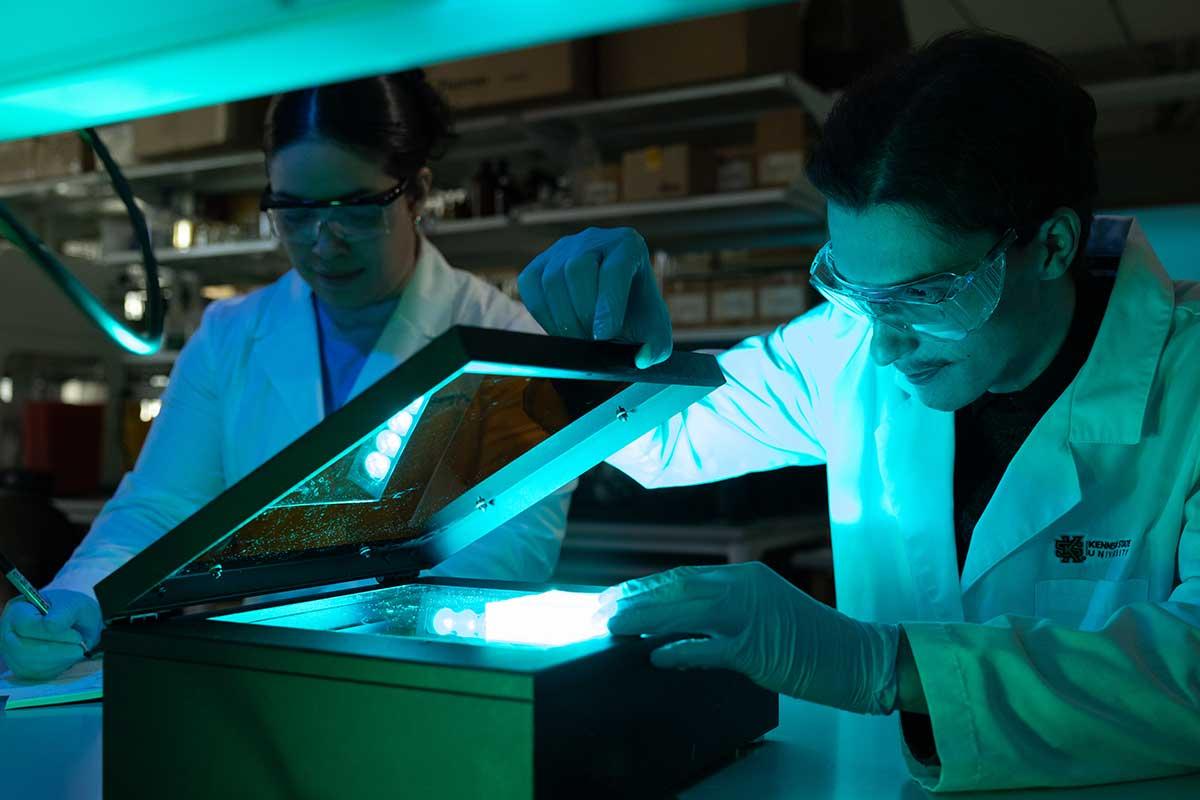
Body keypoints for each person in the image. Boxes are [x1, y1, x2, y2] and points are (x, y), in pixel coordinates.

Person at [519, 32, 1200, 793]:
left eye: (926, 296)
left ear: (1050, 246)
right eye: (856, 292)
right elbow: (662, 445)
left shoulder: (1191, 381)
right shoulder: (845, 351)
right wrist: (619, 352)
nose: (884, 348)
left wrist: (887, 665)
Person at [0, 71, 571, 680]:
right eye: (293, 214)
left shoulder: (504, 339)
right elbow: (159, 510)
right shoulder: (230, 337)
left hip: (434, 679)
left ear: (416, 193)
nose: (323, 245)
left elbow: (511, 556)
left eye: (354, 210)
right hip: (268, 680)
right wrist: (77, 601)